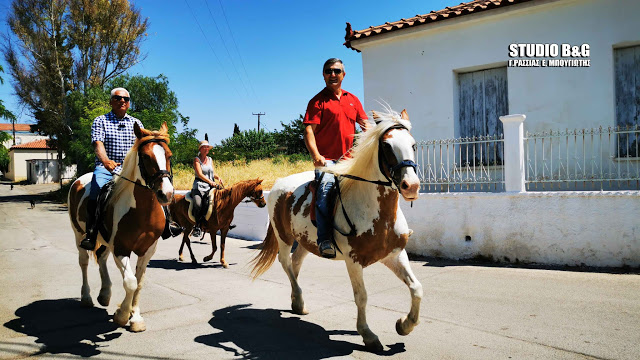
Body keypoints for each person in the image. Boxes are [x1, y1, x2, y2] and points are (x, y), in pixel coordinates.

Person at [79, 88, 181, 250]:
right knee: (97, 189)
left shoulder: (136, 123)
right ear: (111, 101)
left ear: (129, 103)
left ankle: (167, 223)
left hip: (130, 170)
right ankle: (91, 233)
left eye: (126, 99)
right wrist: (105, 161)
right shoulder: (100, 121)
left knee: (158, 183)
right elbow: (98, 143)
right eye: (118, 98)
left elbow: (145, 147)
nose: (122, 101)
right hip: (106, 167)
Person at [303, 58, 368, 258]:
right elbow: (308, 131)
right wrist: (316, 156)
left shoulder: (353, 99)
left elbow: (366, 126)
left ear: (343, 74)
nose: (333, 74)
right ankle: (324, 240)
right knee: (324, 193)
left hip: (351, 160)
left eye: (337, 71)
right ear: (323, 75)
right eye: (328, 71)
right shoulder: (317, 101)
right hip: (328, 161)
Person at [190, 138, 224, 237]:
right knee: (198, 203)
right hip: (199, 186)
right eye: (204, 147)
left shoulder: (210, 159)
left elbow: (212, 172)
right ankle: (197, 226)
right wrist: (210, 182)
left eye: (207, 147)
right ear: (200, 149)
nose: (206, 149)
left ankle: (222, 223)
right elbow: (200, 174)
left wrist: (218, 178)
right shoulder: (197, 159)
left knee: (221, 200)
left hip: (210, 186)